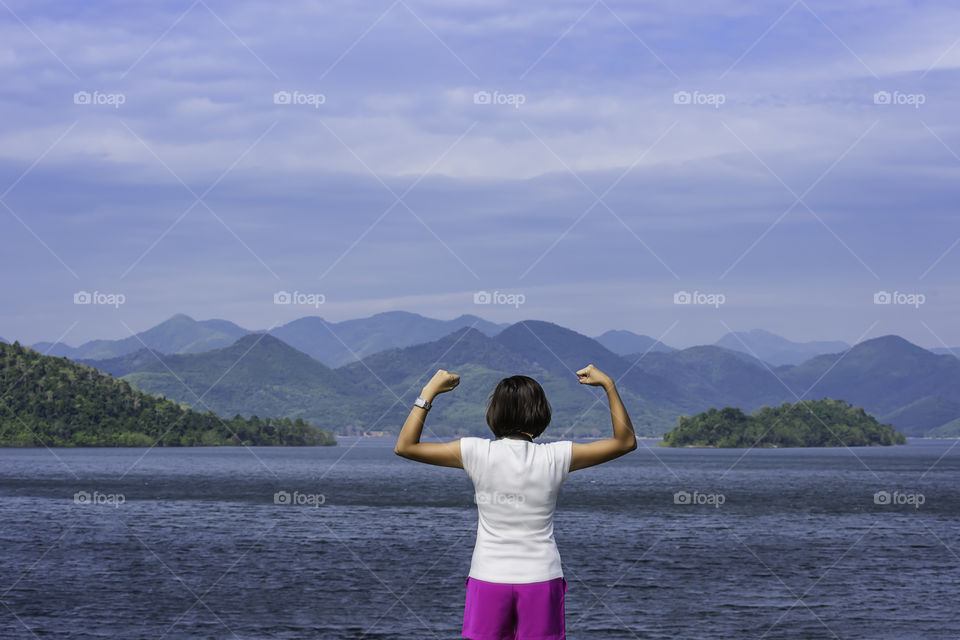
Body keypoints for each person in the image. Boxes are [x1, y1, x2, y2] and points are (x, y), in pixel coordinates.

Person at [394, 364, 637, 640]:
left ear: (494, 413)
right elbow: (625, 442)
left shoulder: (475, 451)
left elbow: (405, 447)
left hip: (488, 577)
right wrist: (608, 385)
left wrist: (429, 392)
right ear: (541, 413)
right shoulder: (556, 456)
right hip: (541, 577)